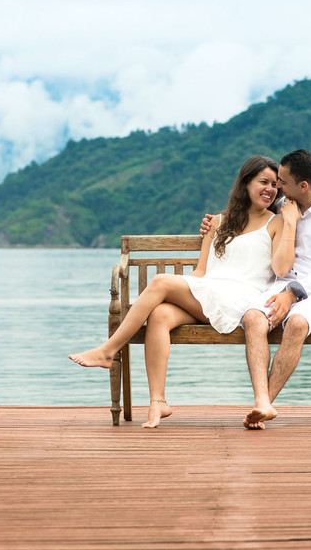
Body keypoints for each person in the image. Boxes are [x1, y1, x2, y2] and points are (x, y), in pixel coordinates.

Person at [68, 155, 295, 428]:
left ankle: (108, 350)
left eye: (274, 185)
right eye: (263, 182)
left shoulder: (276, 223)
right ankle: (158, 402)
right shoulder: (218, 222)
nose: (270, 189)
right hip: (210, 293)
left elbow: (282, 268)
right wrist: (186, 291)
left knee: (161, 282)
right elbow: (201, 272)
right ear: (246, 183)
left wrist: (290, 222)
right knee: (161, 314)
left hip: (242, 300)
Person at [204, 149, 311, 429]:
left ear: (303, 186)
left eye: (282, 182)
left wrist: (293, 293)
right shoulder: (285, 205)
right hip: (281, 284)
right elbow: (247, 217)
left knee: (297, 323)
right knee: (252, 318)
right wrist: (211, 225)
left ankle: (264, 404)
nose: (277, 188)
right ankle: (262, 401)